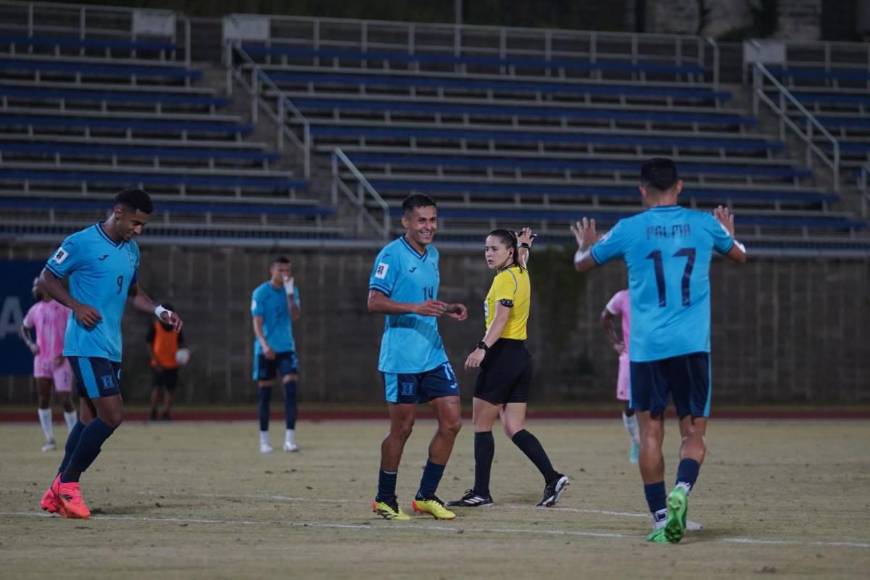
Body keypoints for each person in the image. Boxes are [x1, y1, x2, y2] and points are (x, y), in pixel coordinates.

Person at [572, 158, 746, 544]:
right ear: (679, 186)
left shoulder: (630, 228)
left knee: (651, 432)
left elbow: (583, 264)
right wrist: (731, 235)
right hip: (692, 347)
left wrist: (584, 246)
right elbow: (740, 254)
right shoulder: (703, 224)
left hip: (647, 349)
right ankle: (682, 489)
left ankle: (660, 516)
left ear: (642, 189)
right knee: (693, 432)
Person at [36, 188, 183, 519]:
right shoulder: (80, 242)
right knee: (113, 415)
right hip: (85, 344)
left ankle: (55, 489)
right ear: (118, 212)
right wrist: (76, 305)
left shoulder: (132, 251)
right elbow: (47, 278)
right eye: (135, 222)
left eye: (143, 225)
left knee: (89, 418)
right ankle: (69, 486)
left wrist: (159, 310)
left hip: (111, 347)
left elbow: (134, 293)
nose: (139, 230)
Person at [448, 228, 569, 509]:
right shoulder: (521, 271)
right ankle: (553, 477)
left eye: (494, 249)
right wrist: (525, 245)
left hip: (501, 356)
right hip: (520, 357)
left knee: (481, 424)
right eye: (486, 248)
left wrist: (482, 347)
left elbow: (501, 320)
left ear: (509, 252)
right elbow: (524, 258)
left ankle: (480, 492)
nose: (488, 253)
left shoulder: (504, 278)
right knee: (514, 427)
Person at [368, 194, 468, 521]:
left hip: (432, 351)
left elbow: (424, 299)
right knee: (403, 428)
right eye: (422, 220)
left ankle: (426, 496)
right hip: (401, 357)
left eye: (432, 220)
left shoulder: (433, 255)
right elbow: (374, 301)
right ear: (406, 222)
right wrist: (414, 308)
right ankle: (384, 499)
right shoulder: (391, 255)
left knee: (452, 421)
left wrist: (447, 307)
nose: (428, 226)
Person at [19, 278, 77, 451]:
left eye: (38, 286)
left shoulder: (64, 309)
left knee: (65, 398)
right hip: (42, 361)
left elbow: (73, 332)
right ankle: (49, 438)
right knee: (43, 398)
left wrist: (64, 352)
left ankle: (73, 438)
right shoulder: (35, 310)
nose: (35, 289)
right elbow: (24, 328)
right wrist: (31, 344)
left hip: (61, 361)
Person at [251, 257, 302, 453]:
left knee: (291, 390)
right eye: (281, 270)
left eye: (287, 270)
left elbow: (295, 315)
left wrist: (290, 294)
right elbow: (257, 322)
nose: (284, 274)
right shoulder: (260, 293)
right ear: (271, 270)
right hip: (266, 349)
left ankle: (289, 439)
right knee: (265, 395)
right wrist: (264, 345)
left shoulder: (292, 290)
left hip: (286, 348)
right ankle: (264, 440)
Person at [601, 289, 641, 464]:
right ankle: (635, 440)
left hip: (653, 357)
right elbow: (606, 316)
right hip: (629, 358)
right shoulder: (623, 297)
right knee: (629, 405)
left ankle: (649, 442)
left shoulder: (656, 294)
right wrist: (615, 342)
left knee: (652, 405)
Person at [146, 302, 187, 421]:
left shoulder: (176, 327)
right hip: (158, 364)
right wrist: (154, 359)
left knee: (170, 390)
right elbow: (149, 344)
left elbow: (181, 344)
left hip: (172, 363)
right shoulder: (155, 327)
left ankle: (166, 412)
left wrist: (184, 354)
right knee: (157, 389)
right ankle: (153, 412)